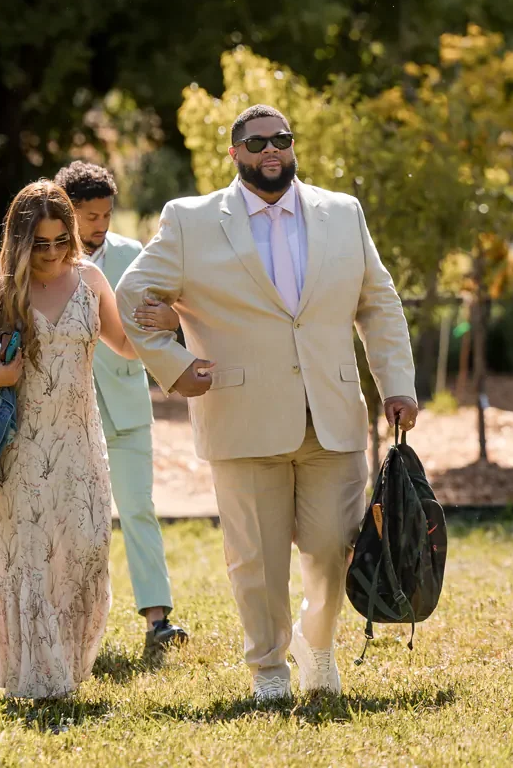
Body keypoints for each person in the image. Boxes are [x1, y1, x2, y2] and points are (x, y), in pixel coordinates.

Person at [118, 104, 419, 703]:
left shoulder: (343, 213)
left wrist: (397, 384)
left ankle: (318, 643)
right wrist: (177, 368)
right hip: (241, 415)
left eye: (280, 139)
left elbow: (378, 302)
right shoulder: (191, 221)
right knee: (255, 559)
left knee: (337, 546)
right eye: (255, 144)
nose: (270, 151)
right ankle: (268, 669)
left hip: (332, 413)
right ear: (234, 154)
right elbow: (131, 299)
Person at [0, 180, 142, 700]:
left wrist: (171, 320)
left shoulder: (91, 278)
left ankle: (68, 666)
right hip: (17, 447)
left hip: (80, 442)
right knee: (28, 561)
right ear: (19, 239)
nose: (53, 253)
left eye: (62, 241)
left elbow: (123, 343)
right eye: (42, 243)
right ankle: (36, 677)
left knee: (86, 549)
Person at [53, 160, 187, 655]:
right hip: (65, 411)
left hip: (128, 406)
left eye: (107, 214)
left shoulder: (136, 255)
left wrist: (170, 318)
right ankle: (70, 618)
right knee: (72, 517)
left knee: (138, 509)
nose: (100, 225)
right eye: (90, 215)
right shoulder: (45, 260)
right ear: (67, 210)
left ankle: (158, 618)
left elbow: (176, 312)